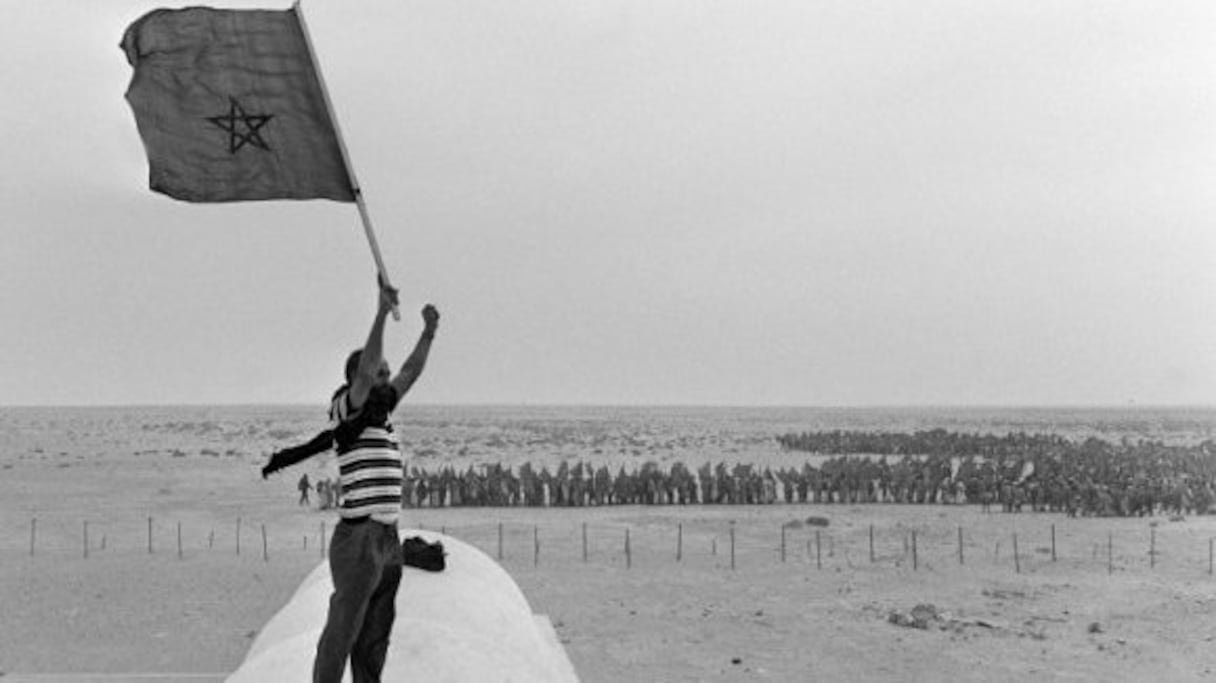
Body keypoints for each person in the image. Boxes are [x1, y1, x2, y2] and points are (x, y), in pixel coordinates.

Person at [262, 277, 438, 683]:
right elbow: (363, 378)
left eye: (386, 373)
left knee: (375, 633)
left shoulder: (382, 414)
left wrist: (429, 333)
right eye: (380, 373)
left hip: (386, 537)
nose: (386, 379)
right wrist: (379, 313)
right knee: (343, 629)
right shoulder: (347, 409)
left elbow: (410, 372)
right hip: (358, 540)